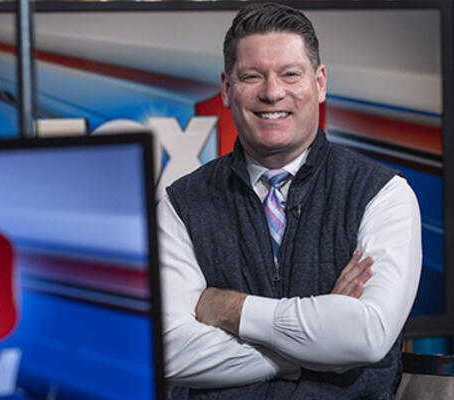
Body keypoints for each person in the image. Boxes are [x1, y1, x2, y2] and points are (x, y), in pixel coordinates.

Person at [157, 2, 422, 399]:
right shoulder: (181, 204)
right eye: (252, 76)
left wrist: (230, 309)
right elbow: (168, 350)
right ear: (227, 89)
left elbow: (368, 335)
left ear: (320, 82)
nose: (272, 92)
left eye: (290, 74)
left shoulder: (384, 194)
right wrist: (315, 347)